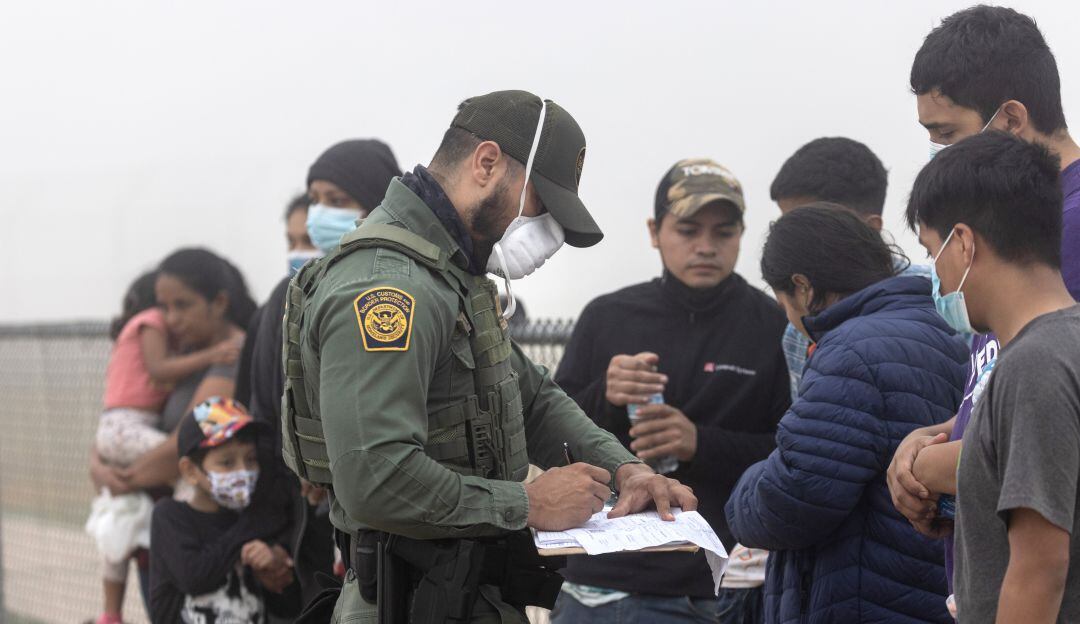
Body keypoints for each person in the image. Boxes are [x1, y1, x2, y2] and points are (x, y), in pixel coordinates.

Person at [285, 90, 696, 622]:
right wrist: (529, 504)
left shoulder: (452, 275)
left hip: (465, 596)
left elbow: (532, 396)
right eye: (539, 205)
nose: (544, 231)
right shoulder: (390, 286)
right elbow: (373, 477)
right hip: (407, 601)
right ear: (486, 163)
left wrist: (627, 471)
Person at [887, 5, 1080, 598]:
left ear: (1013, 119)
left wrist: (931, 469)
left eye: (946, 136)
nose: (938, 155)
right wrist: (932, 437)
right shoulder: (1006, 225)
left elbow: (1056, 418)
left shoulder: (1065, 227)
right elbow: (1002, 385)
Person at [551, 159, 790, 624]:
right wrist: (606, 395)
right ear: (654, 231)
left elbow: (793, 454)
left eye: (723, 232)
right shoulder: (607, 317)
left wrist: (700, 442)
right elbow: (550, 438)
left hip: (725, 587)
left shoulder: (773, 325)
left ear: (742, 234)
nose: (705, 247)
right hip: (605, 584)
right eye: (687, 229)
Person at [725, 204, 968, 623]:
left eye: (782, 299)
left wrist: (744, 488)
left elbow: (793, 500)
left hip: (861, 599)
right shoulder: (944, 327)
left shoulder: (850, 350)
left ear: (801, 287)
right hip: (931, 590)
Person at [905, 131, 1080, 622]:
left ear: (962, 243)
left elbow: (1039, 569)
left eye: (931, 250)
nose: (935, 277)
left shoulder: (1033, 363)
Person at [238, 139, 402, 610]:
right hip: (305, 532)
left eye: (336, 201)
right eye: (315, 200)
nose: (318, 216)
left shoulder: (402, 291)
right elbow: (265, 411)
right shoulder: (283, 302)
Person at [90, 248, 258, 604]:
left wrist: (123, 479)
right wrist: (99, 467)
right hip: (165, 541)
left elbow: (187, 447)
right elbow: (127, 419)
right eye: (164, 308)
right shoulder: (182, 356)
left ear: (219, 302)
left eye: (182, 305)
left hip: (204, 551)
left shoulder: (233, 357)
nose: (171, 318)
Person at [770, 136, 934, 401]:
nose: (792, 243)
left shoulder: (945, 302)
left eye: (810, 230)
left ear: (870, 228)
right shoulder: (799, 328)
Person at [149, 397, 298, 623]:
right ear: (190, 471)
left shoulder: (253, 521)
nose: (243, 471)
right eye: (227, 463)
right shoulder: (170, 516)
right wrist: (250, 527)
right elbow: (194, 577)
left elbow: (289, 608)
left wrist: (275, 573)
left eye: (251, 459)